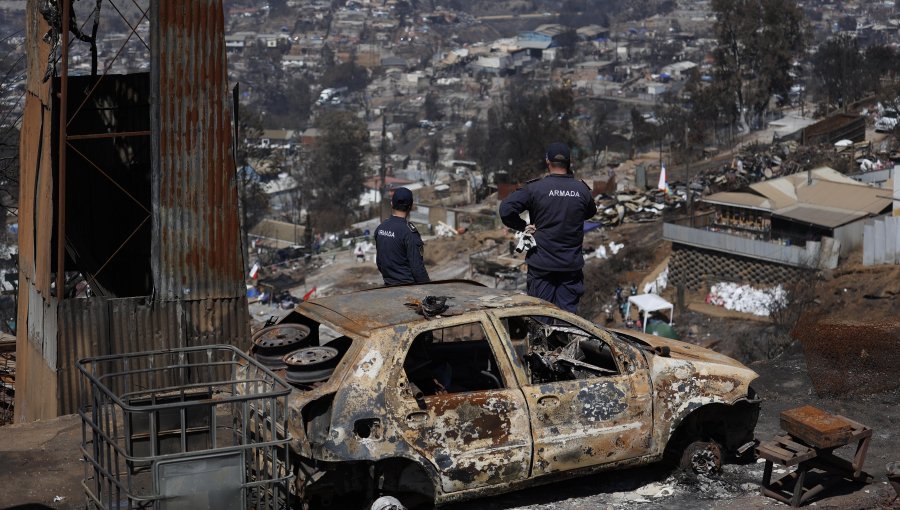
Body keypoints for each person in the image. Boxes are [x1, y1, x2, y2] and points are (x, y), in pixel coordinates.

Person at [499, 142, 597, 313]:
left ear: (547, 161)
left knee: (540, 315)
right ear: (569, 162)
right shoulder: (582, 190)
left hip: (541, 265)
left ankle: (543, 339)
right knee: (568, 320)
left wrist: (523, 226)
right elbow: (589, 213)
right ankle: (564, 339)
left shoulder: (535, 188)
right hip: (570, 267)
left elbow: (506, 210)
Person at [375, 187, 430, 285]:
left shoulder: (380, 229)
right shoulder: (409, 232)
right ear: (411, 206)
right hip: (408, 290)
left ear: (392, 204)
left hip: (387, 287)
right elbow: (417, 268)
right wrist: (430, 289)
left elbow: (379, 263)